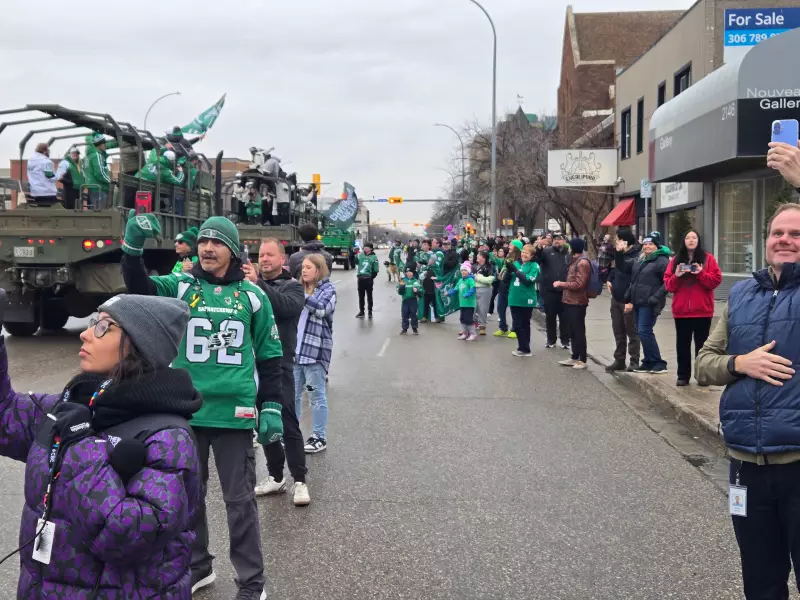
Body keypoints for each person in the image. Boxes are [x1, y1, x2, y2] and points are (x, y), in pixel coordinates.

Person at [120, 213, 283, 599]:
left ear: (232, 249)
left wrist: (272, 405)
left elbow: (271, 357)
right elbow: (139, 287)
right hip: (187, 412)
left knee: (239, 503)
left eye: (217, 242)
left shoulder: (253, 296)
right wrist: (131, 249)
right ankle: (198, 566)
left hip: (234, 415)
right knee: (188, 498)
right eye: (204, 241)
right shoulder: (182, 285)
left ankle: (252, 582)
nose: (208, 248)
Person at [0, 290, 203, 598]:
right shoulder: (70, 406)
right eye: (92, 321)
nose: (85, 333)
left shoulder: (169, 437)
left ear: (138, 345)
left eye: (102, 326)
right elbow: (4, 418)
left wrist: (80, 445)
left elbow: (127, 537)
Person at [695, 202, 800, 600]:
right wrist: (742, 363)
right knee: (760, 583)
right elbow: (704, 364)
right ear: (766, 240)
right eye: (778, 233)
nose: (785, 240)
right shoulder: (740, 294)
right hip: (747, 467)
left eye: (796, 234)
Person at [244, 238, 310, 506]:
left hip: (279, 363)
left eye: (270, 255)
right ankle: (275, 476)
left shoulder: (293, 287)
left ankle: (300, 480)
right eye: (261, 255)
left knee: (286, 421)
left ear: (283, 259)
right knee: (264, 422)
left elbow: (283, 307)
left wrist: (258, 284)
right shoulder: (247, 286)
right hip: (252, 364)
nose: (265, 259)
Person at [664, 229, 722, 386]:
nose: (691, 240)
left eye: (694, 237)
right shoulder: (675, 260)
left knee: (702, 346)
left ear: (698, 240)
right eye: (688, 237)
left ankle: (702, 376)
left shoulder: (708, 259)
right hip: (682, 311)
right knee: (682, 345)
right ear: (683, 241)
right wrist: (677, 276)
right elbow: (668, 286)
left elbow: (715, 281)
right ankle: (683, 375)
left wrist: (701, 273)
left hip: (703, 311)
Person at [296, 254, 337, 454]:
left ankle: (319, 437)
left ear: (318, 270)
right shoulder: (299, 288)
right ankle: (292, 433)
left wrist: (300, 295)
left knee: (315, 396)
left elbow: (320, 309)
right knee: (292, 396)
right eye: (302, 267)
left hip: (315, 352)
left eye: (308, 267)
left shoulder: (328, 290)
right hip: (296, 352)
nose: (304, 271)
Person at [625, 231, 670, 375]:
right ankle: (648, 361)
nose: (648, 246)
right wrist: (629, 295)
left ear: (657, 246)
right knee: (641, 331)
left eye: (651, 244)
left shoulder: (662, 260)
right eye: (645, 244)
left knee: (645, 331)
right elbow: (635, 279)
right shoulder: (642, 259)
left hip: (650, 302)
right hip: (638, 301)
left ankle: (658, 362)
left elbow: (667, 282)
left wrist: (656, 297)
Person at [606, 229, 641, 373]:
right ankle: (619, 359)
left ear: (626, 241)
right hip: (616, 297)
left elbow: (624, 267)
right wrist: (610, 279)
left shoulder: (636, 256)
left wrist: (619, 253)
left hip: (628, 299)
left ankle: (634, 361)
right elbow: (615, 269)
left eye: (619, 239)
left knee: (631, 331)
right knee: (618, 330)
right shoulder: (621, 254)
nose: (617, 242)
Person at [555, 238, 591, 370]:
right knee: (572, 330)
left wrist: (561, 284)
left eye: (570, 246)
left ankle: (582, 359)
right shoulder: (574, 260)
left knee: (578, 331)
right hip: (569, 300)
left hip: (578, 302)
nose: (568, 248)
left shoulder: (582, 263)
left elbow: (579, 284)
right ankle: (574, 356)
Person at [536, 234, 571, 349]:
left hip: (565, 290)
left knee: (565, 317)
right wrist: (539, 247)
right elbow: (537, 259)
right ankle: (551, 340)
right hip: (549, 290)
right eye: (555, 239)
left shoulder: (568, 253)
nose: (557, 241)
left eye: (559, 239)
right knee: (550, 316)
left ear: (564, 241)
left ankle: (565, 340)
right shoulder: (546, 251)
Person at [507, 244, 541, 356]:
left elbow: (528, 281)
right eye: (523, 252)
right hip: (514, 298)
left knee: (523, 324)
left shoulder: (534, 266)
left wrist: (516, 271)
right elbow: (505, 280)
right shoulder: (516, 263)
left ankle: (525, 348)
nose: (524, 254)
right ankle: (523, 347)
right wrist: (507, 270)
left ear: (531, 255)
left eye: (527, 253)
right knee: (517, 324)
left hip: (527, 299)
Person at [494, 241, 522, 339]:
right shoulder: (508, 258)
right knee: (500, 308)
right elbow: (504, 269)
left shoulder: (519, 261)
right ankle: (503, 328)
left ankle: (515, 329)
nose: (508, 246)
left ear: (517, 248)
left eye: (511, 245)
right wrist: (500, 276)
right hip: (503, 286)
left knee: (514, 310)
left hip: (512, 287)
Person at [83, 134, 118, 209]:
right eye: (104, 143)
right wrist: (110, 181)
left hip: (91, 188)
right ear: (100, 144)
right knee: (100, 214)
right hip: (99, 189)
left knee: (94, 214)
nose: (105, 145)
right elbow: (99, 173)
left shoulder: (87, 157)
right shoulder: (97, 155)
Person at [449, 261, 477, 341]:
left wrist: (467, 294)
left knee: (468, 319)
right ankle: (465, 333)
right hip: (462, 304)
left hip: (469, 304)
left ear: (468, 271)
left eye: (465, 270)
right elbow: (455, 289)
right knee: (462, 319)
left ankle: (473, 334)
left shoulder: (470, 280)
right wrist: (449, 293)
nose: (463, 272)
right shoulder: (460, 281)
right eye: (462, 270)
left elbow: (473, 288)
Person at [474, 251, 496, 335]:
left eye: (478, 256)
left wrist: (478, 278)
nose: (477, 257)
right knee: (473, 308)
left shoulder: (490, 267)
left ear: (483, 258)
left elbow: (490, 280)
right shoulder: (474, 266)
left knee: (483, 308)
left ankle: (482, 326)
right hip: (474, 289)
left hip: (485, 290)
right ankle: (474, 322)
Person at [356, 242, 379, 319]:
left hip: (368, 279)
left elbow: (376, 269)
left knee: (369, 296)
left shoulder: (374, 257)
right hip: (360, 278)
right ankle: (361, 311)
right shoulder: (360, 255)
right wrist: (353, 255)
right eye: (364, 247)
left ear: (371, 249)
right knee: (361, 296)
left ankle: (370, 311)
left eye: (367, 247)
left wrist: (371, 277)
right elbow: (355, 262)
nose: (365, 248)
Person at [398, 264, 422, 335]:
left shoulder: (415, 281)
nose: (409, 273)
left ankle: (414, 328)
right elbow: (399, 291)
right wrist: (401, 288)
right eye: (407, 272)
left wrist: (416, 290)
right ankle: (404, 329)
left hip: (413, 300)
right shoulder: (403, 281)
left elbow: (420, 290)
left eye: (410, 272)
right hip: (405, 300)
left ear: (412, 273)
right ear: (406, 273)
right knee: (404, 315)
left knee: (413, 314)